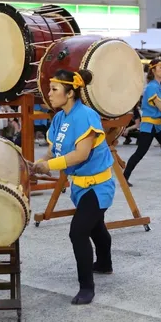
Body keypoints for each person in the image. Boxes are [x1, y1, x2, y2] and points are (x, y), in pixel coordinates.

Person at [32, 69, 115, 306]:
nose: (49, 94)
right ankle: (105, 263)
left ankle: (87, 287)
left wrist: (49, 166)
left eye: (54, 89)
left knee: (78, 231)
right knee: (96, 226)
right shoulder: (59, 118)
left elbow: (81, 154)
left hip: (98, 186)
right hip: (79, 186)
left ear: (70, 93)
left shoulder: (86, 116)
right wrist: (37, 164)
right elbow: (53, 150)